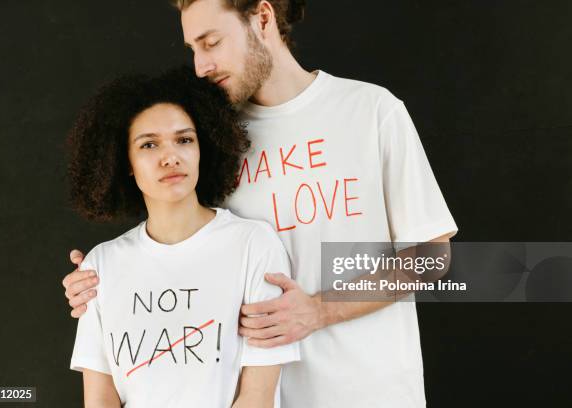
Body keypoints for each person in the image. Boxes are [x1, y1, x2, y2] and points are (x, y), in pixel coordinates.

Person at [63, 1, 458, 406]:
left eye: (212, 42)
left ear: (263, 18)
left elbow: (433, 256)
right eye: (192, 49)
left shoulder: (372, 111)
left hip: (375, 394)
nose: (200, 66)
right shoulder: (215, 141)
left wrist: (320, 310)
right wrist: (101, 286)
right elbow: (183, 254)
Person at [67, 67, 300, 408]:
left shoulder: (253, 245)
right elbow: (99, 399)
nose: (171, 156)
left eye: (184, 139)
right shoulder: (100, 265)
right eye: (149, 144)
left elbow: (257, 395)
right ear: (126, 162)